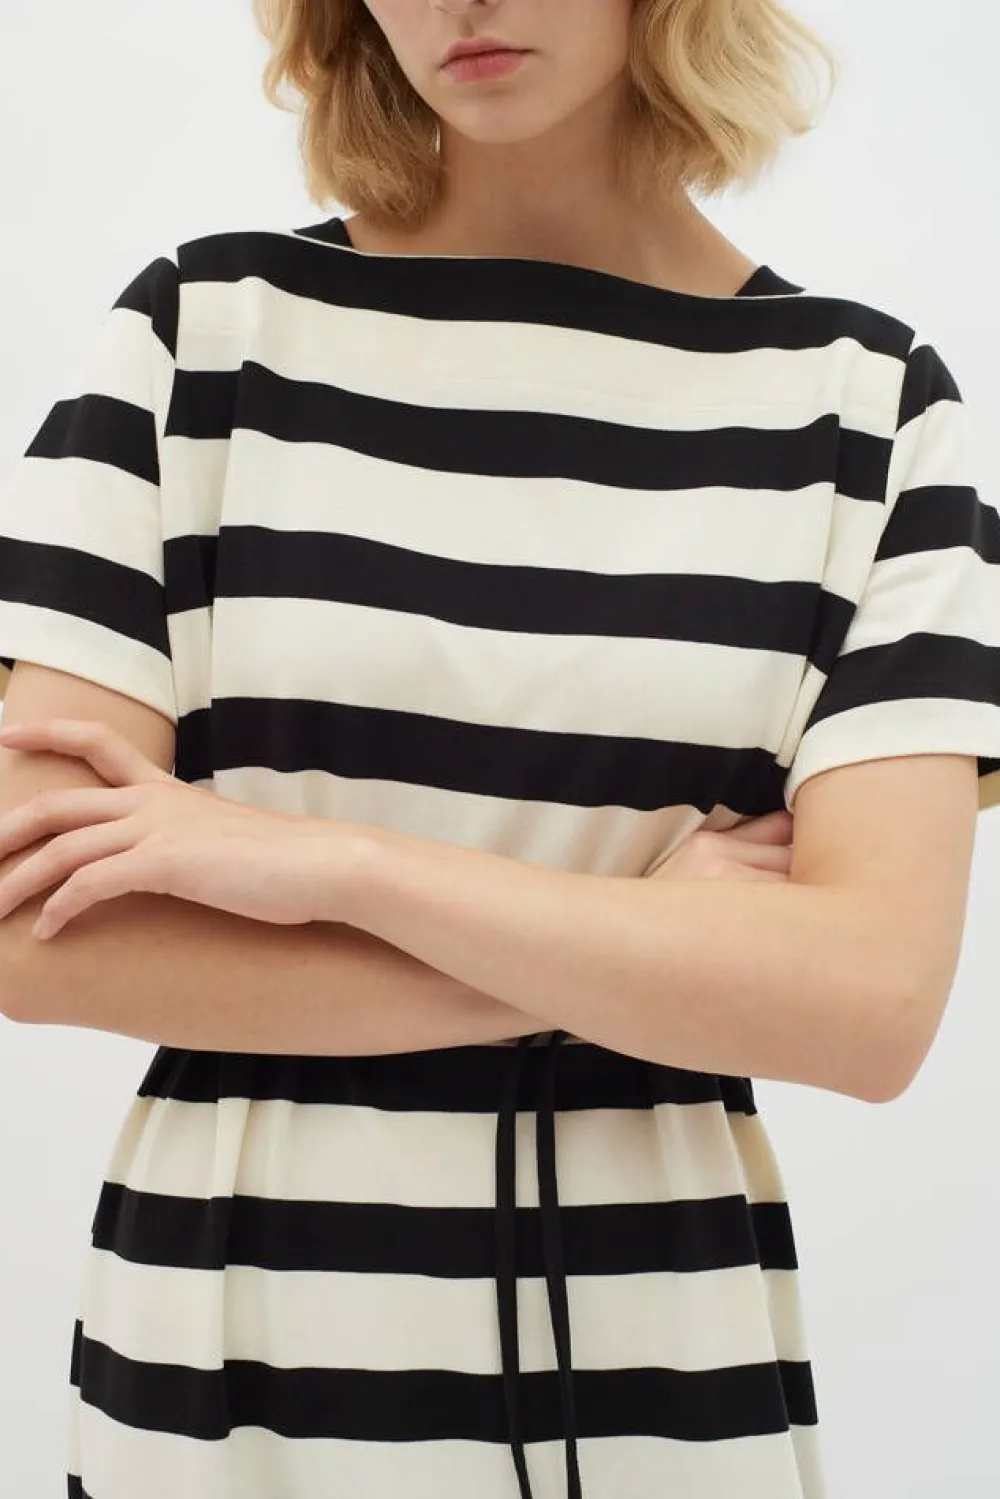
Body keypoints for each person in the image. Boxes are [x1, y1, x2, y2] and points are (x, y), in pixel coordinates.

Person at [0, 2, 998, 1496]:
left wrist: (336, 868)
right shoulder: (202, 336)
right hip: (228, 1367)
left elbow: (867, 1008)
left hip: (659, 1380)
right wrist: (642, 946)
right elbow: (34, 925)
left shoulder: (868, 405)